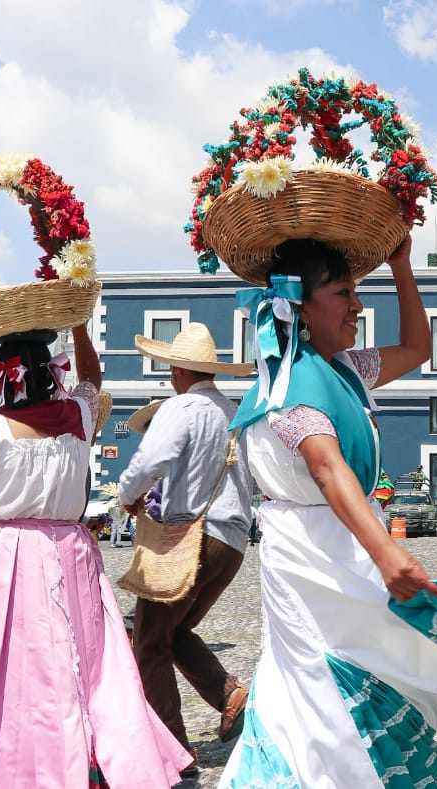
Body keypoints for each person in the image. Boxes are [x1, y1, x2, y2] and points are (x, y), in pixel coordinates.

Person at [219, 237, 437, 788]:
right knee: (322, 682)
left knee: (351, 671)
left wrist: (402, 266)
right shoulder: (294, 386)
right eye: (344, 293)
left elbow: (418, 346)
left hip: (338, 544)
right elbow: (327, 469)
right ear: (302, 308)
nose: (358, 306)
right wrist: (386, 552)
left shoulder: (343, 369)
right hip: (313, 554)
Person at [0, 324, 188, 788]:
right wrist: (79, 325)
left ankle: (9, 765)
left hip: (4, 553)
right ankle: (93, 759)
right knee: (87, 660)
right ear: (54, 374)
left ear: (2, 376)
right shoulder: (80, 417)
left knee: (10, 664)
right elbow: (93, 378)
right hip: (69, 550)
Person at [117, 321, 255, 776]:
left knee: (149, 644)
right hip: (231, 542)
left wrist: (126, 494)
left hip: (188, 537)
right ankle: (228, 694)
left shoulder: (184, 407)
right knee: (174, 633)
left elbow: (149, 460)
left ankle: (173, 754)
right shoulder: (234, 412)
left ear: (178, 369)